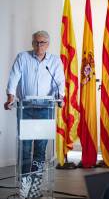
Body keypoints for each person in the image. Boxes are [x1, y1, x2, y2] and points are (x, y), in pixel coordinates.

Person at [4, 30, 65, 174]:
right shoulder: (22, 57)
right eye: (36, 42)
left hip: (45, 109)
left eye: (42, 42)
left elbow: (59, 82)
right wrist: (10, 96)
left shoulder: (55, 61)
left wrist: (60, 96)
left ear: (48, 44)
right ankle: (25, 181)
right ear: (32, 43)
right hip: (26, 109)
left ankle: (36, 181)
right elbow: (14, 77)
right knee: (24, 148)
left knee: (40, 147)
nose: (39, 46)